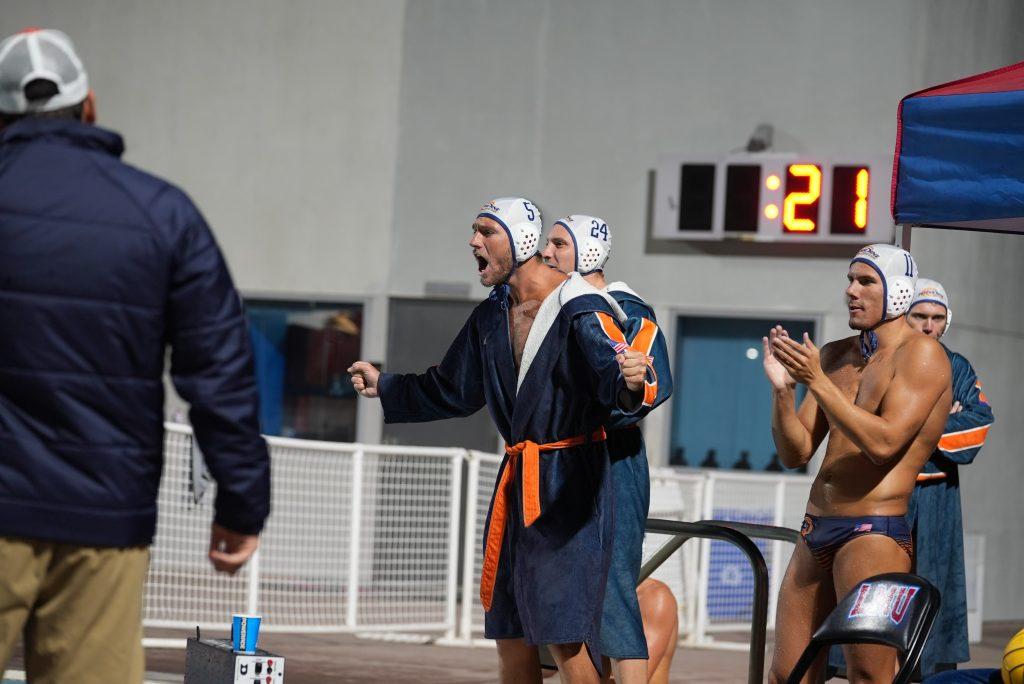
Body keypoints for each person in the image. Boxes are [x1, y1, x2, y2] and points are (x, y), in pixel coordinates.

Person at [0, 28, 270, 683]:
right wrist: (241, 504)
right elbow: (220, 371)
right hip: (105, 517)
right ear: (89, 104)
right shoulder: (162, 213)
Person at [349, 198, 651, 683]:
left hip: (571, 489)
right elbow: (453, 387)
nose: (473, 241)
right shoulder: (492, 316)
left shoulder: (581, 307)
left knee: (568, 639)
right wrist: (386, 385)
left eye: (485, 231)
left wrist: (632, 383)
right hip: (518, 482)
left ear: (520, 240)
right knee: (509, 633)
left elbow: (614, 380)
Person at [762, 244, 952, 683]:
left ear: (900, 292)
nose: (851, 291)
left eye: (866, 282)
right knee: (786, 674)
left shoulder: (921, 355)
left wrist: (817, 383)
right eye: (850, 280)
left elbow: (884, 444)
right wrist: (782, 393)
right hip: (816, 529)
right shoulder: (833, 355)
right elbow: (796, 453)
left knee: (869, 675)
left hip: (874, 531)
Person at [541, 215, 674, 683]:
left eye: (559, 243)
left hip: (611, 463)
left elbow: (646, 387)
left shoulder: (626, 309)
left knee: (614, 594)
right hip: (564, 462)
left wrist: (578, 413)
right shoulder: (557, 308)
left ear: (589, 252)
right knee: (555, 597)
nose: (546, 253)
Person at [904, 278, 994, 674]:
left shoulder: (957, 366)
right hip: (888, 493)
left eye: (936, 318)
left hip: (939, 497)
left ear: (946, 322)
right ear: (903, 318)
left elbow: (978, 423)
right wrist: (944, 417)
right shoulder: (879, 361)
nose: (928, 325)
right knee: (881, 588)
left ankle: (929, 674)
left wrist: (916, 425)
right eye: (920, 316)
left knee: (934, 588)